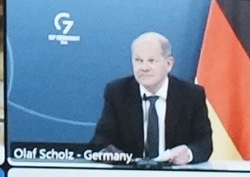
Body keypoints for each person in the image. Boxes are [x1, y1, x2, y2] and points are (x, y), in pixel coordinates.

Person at [89, 32, 213, 164]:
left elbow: (204, 144)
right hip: (129, 176)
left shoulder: (191, 95)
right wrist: (112, 154)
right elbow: (100, 141)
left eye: (151, 61)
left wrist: (188, 153)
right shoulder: (118, 92)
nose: (144, 68)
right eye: (138, 60)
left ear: (169, 64)